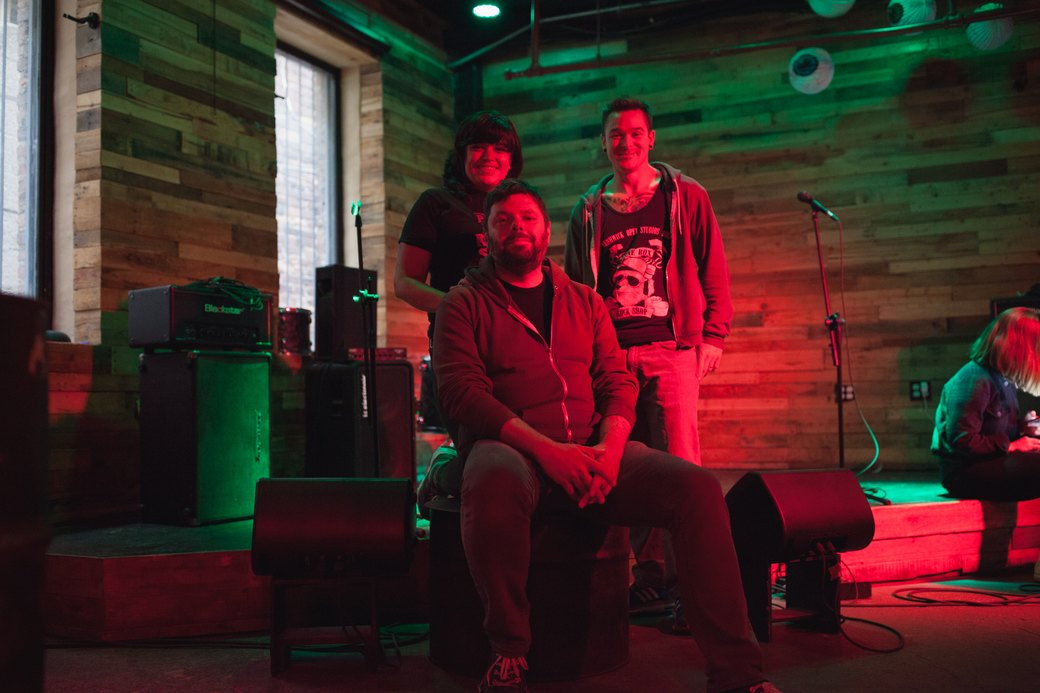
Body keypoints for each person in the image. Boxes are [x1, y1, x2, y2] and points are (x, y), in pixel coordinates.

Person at [433, 179, 777, 693]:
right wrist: (551, 455)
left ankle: (736, 672)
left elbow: (616, 381)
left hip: (595, 448)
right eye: (503, 219)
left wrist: (610, 453)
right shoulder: (463, 303)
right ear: (486, 235)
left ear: (546, 229)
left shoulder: (585, 301)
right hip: (513, 451)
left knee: (699, 488)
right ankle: (509, 650)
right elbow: (462, 394)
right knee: (490, 477)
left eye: (527, 218)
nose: (517, 228)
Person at [564, 97, 733, 619]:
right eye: (616, 134)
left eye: (635, 134)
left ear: (651, 139)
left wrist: (713, 335)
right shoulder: (589, 209)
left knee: (681, 467)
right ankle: (651, 575)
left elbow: (714, 268)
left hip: (671, 348)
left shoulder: (686, 196)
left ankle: (691, 587)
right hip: (611, 358)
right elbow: (574, 288)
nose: (626, 143)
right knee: (626, 465)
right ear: (604, 141)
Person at [395, 111, 523, 505]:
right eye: (478, 146)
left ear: (512, 158)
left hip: (513, 342)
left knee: (516, 443)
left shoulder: (519, 205)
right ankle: (445, 472)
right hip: (460, 341)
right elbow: (405, 283)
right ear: (461, 154)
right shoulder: (437, 204)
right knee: (477, 444)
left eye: (500, 148)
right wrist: (463, 307)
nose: (489, 155)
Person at [931, 306, 1040, 501]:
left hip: (992, 464)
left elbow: (993, 433)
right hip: (965, 474)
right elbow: (963, 441)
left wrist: (1023, 428)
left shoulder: (1003, 379)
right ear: (1019, 347)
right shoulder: (974, 380)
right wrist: (1014, 446)